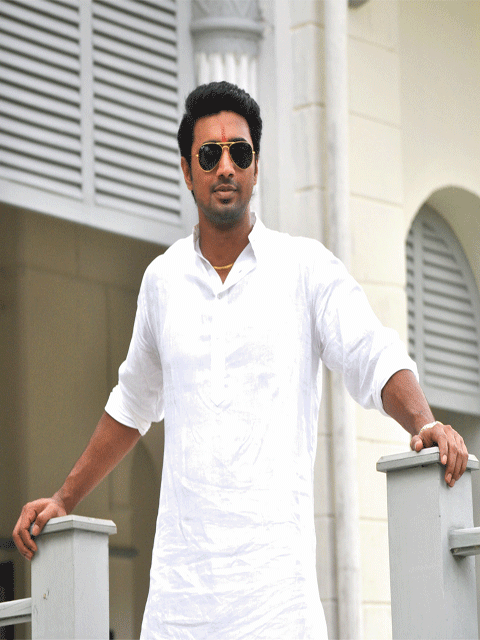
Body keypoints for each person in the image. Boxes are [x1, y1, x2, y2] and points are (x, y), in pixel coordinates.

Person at [13, 81, 468, 640]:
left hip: (277, 606)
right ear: (188, 171)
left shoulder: (305, 268)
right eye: (209, 154)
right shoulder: (162, 281)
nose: (225, 166)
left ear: (256, 167)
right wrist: (64, 498)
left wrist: (423, 423)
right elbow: (132, 404)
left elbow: (371, 351)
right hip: (180, 610)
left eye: (240, 153)